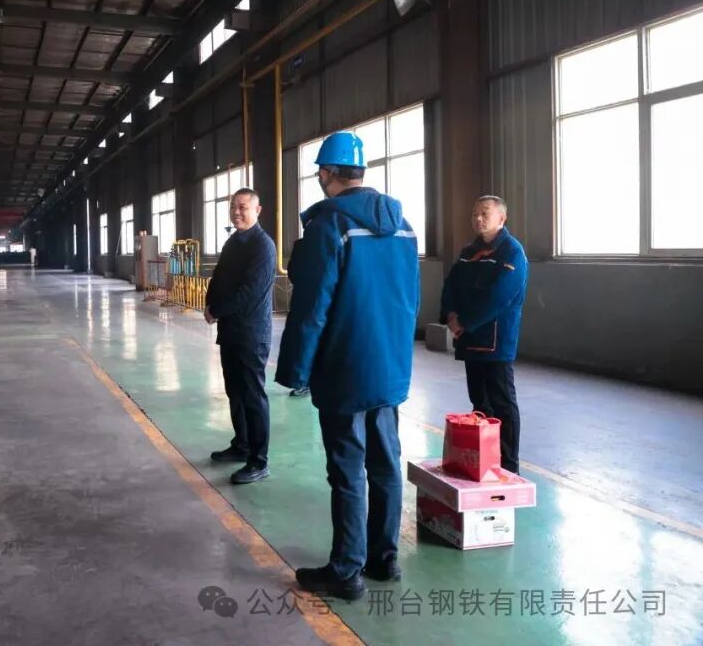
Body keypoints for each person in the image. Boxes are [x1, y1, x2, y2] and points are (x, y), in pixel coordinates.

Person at [275, 131, 419, 602]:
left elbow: (312, 307)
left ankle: (345, 571)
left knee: (348, 469)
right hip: (389, 367)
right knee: (385, 463)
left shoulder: (330, 225)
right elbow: (409, 301)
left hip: (345, 368)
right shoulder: (402, 226)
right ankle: (384, 558)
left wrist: (295, 371)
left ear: (326, 173)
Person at [440, 195, 529, 473]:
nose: (478, 218)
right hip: (470, 339)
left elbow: (499, 297)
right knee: (479, 402)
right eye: (475, 214)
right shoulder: (468, 252)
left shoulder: (512, 252)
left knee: (502, 402)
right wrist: (451, 316)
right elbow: (451, 285)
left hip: (496, 341)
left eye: (485, 213)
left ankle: (509, 466)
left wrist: (465, 321)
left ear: (501, 218)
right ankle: (486, 460)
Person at [204, 188, 277, 485]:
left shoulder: (263, 246)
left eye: (243, 207)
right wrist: (209, 304)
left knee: (252, 396)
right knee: (235, 391)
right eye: (233, 206)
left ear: (257, 210)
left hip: (251, 333)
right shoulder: (233, 242)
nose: (236, 211)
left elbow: (250, 293)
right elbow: (219, 277)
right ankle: (242, 445)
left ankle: (259, 461)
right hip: (231, 330)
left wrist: (218, 310)